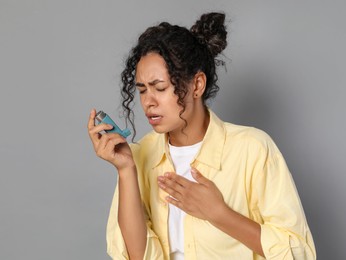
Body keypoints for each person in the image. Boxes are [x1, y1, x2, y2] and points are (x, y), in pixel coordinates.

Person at [88, 12, 316, 260]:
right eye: (142, 90)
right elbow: (136, 256)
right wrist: (125, 170)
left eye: (160, 88)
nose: (148, 102)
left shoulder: (253, 149)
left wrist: (219, 214)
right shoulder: (142, 154)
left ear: (197, 85)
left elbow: (299, 253)